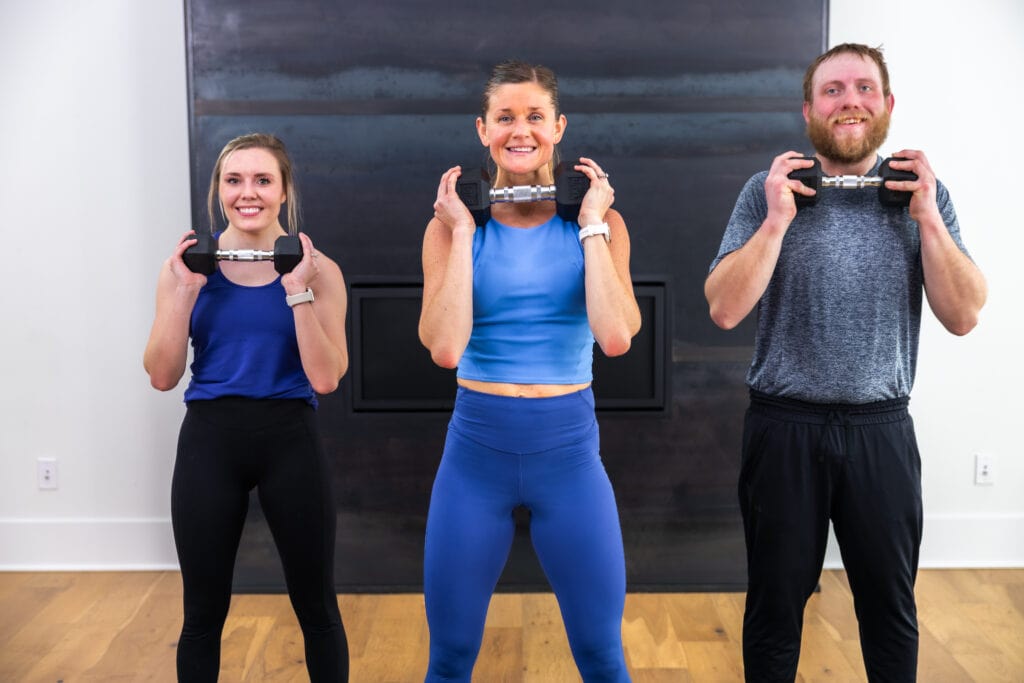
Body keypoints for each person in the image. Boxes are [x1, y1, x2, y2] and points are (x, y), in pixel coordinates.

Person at [705, 43, 987, 681]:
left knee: (890, 610)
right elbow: (723, 309)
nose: (849, 100)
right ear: (809, 108)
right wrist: (776, 220)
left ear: (887, 106)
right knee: (774, 610)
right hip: (783, 428)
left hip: (880, 429)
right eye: (833, 90)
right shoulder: (766, 191)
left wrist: (929, 221)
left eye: (864, 88)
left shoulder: (922, 195)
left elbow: (965, 316)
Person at [418, 59, 642, 682]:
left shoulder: (598, 226)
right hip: (475, 458)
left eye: (535, 116)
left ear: (559, 127)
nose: (522, 130)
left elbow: (616, 336)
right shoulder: (449, 232)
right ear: (483, 130)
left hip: (568, 457)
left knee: (601, 655)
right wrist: (462, 235)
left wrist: (593, 223)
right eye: (505, 117)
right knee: (450, 656)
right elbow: (444, 347)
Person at [143, 133, 350, 682]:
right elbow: (163, 375)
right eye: (233, 180)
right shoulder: (185, 269)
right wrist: (186, 291)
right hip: (211, 440)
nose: (247, 193)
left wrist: (297, 291)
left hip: (289, 438)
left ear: (284, 191)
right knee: (202, 614)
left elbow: (326, 379)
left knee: (318, 609)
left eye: (262, 180)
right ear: (219, 189)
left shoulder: (318, 270)